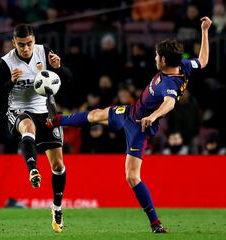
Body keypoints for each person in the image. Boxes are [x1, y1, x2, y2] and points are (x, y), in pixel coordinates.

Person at [47, 17, 212, 233]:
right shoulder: (183, 65)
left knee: (132, 177)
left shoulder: (169, 84)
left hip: (139, 127)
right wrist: (204, 31)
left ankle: (155, 223)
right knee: (97, 114)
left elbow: (170, 103)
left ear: (163, 60)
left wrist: (153, 117)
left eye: (156, 56)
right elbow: (203, 60)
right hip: (131, 112)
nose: (154, 58)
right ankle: (55, 121)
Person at [0, 23, 72, 233]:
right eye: (21, 45)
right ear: (14, 43)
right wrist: (10, 82)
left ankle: (56, 208)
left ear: (34, 40)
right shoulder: (6, 62)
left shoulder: (44, 52)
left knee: (58, 166)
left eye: (29, 43)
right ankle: (33, 170)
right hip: (19, 110)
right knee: (27, 127)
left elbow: (69, 78)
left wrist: (58, 68)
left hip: (45, 111)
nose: (26, 48)